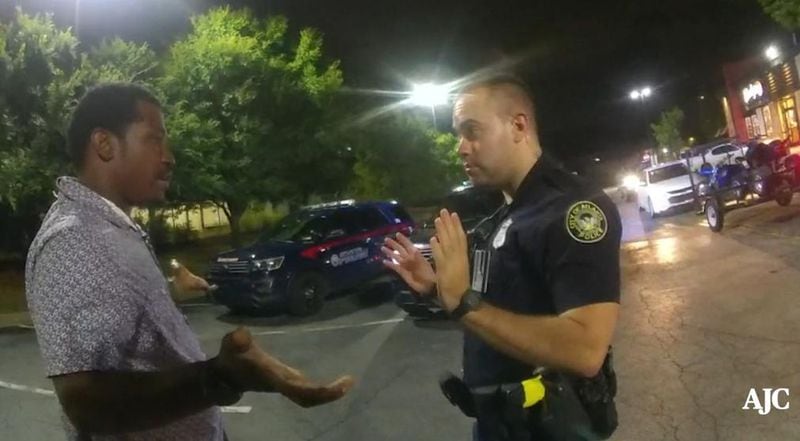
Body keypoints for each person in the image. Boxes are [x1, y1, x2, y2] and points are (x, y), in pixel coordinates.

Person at [25, 83, 354, 440]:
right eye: (154, 139)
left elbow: (119, 317)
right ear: (104, 144)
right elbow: (85, 403)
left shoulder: (106, 227)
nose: (169, 157)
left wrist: (168, 293)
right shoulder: (78, 238)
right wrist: (221, 377)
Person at [382, 75, 621, 440]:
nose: (461, 148)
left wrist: (464, 304)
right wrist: (436, 289)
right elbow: (504, 306)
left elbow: (585, 349)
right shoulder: (507, 214)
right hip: (498, 425)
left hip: (549, 427)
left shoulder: (572, 209)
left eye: (471, 131)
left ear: (518, 125)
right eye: (458, 135)